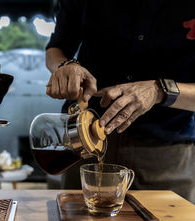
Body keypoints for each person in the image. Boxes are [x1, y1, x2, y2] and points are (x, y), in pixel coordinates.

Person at [45, 0, 195, 203]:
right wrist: (64, 66)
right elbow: (56, 48)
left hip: (166, 154)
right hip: (83, 143)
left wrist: (159, 90)